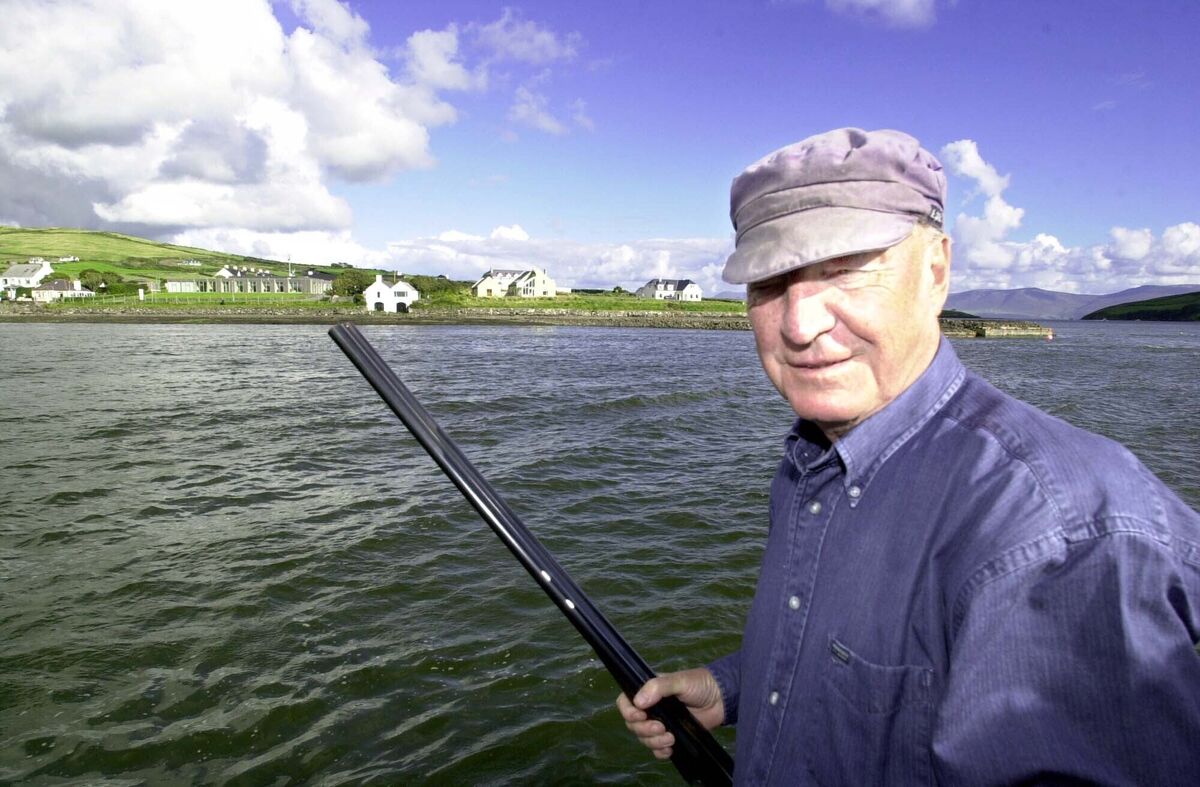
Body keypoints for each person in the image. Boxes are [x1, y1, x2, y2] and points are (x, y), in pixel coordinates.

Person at [616, 128, 1200, 784]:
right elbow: (871, 667)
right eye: (770, 279)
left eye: (845, 267)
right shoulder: (810, 461)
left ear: (936, 271)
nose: (799, 324)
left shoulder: (1060, 542)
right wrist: (733, 687)